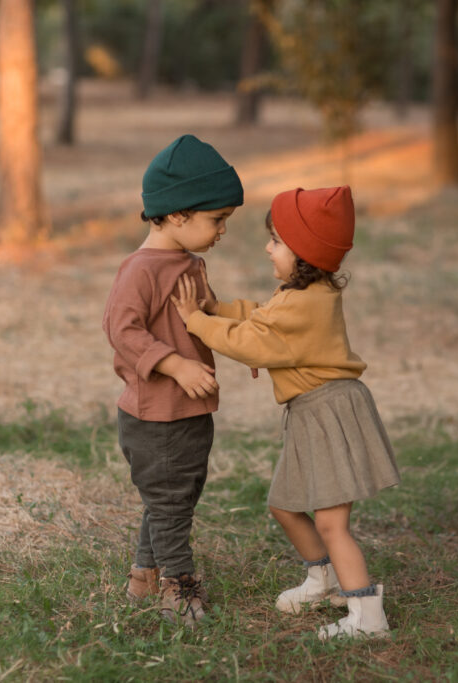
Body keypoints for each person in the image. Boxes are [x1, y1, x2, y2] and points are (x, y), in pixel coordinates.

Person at [170, 185, 400, 639]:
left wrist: (196, 321)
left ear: (306, 252)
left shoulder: (307, 304)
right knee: (285, 505)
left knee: (333, 524)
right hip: (312, 414)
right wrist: (216, 307)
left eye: (276, 241)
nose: (267, 248)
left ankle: (368, 619)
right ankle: (325, 579)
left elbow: (253, 340)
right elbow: (262, 317)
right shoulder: (302, 295)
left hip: (328, 413)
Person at [102, 134, 243, 627]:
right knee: (169, 505)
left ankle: (144, 575)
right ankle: (178, 589)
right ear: (179, 214)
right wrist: (175, 364)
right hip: (155, 415)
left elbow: (205, 319)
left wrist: (239, 343)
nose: (223, 230)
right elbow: (121, 330)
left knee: (173, 497)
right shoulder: (140, 270)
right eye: (217, 219)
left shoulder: (191, 265)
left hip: (189, 412)